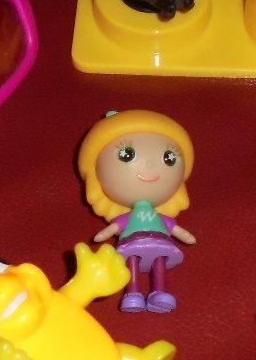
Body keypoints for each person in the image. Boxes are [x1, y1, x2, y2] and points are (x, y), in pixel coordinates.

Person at [77, 109, 196, 312]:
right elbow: (114, 227)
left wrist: (187, 236)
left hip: (159, 242)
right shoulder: (128, 217)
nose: (150, 165)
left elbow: (175, 229)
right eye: (127, 154)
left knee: (159, 263)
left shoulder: (159, 217)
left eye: (169, 158)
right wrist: (102, 235)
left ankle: (160, 292)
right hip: (132, 242)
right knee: (132, 263)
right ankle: (132, 293)